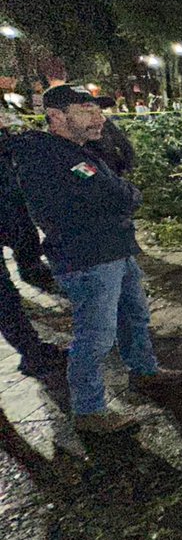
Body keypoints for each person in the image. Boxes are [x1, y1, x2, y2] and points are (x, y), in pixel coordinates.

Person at [6, 85, 182, 432]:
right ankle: (89, 410)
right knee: (96, 335)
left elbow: (110, 190)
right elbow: (115, 196)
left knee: (134, 315)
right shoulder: (56, 158)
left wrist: (117, 194)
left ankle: (144, 371)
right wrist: (124, 195)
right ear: (56, 116)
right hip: (89, 259)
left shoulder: (79, 152)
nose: (98, 117)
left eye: (98, 110)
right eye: (86, 110)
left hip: (114, 249)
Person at [0, 113, 65, 376]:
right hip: (8, 207)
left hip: (10, 209)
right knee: (4, 296)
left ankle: (32, 270)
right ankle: (32, 352)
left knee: (25, 243)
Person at [84, 96, 137, 177]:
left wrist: (127, 168)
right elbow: (82, 175)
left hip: (111, 170)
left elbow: (125, 145)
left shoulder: (105, 124)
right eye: (89, 113)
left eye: (99, 112)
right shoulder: (68, 150)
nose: (99, 119)